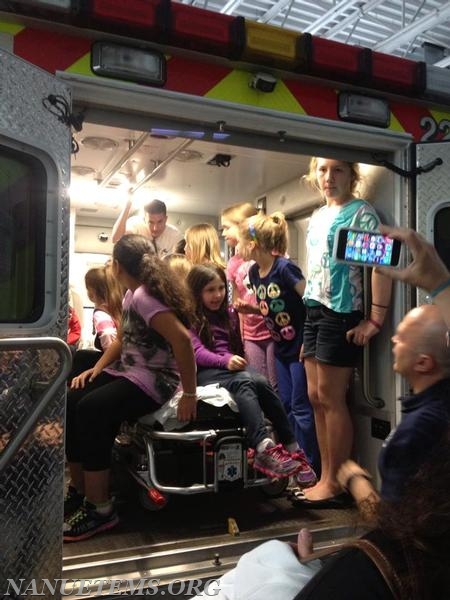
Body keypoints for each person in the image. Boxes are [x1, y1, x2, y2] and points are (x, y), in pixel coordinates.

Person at [63, 234, 197, 542]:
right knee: (74, 397)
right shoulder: (130, 294)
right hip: (131, 371)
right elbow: (124, 339)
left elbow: (183, 341)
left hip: (156, 380)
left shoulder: (144, 298)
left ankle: (100, 509)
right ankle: (81, 490)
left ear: (119, 265)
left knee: (91, 409)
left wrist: (189, 394)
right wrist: (96, 370)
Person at [298, 157, 392, 503]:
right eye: (322, 170)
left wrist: (375, 319)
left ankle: (336, 482)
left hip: (341, 312)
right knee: (314, 398)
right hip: (314, 310)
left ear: (352, 175)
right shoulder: (318, 216)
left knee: (332, 398)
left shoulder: (360, 214)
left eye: (337, 169)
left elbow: (380, 267)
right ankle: (326, 475)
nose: (328, 177)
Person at [186, 263, 315, 483]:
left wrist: (234, 361)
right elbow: (196, 353)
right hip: (205, 372)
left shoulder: (229, 314)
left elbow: (235, 346)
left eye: (220, 289)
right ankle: (263, 446)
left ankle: (292, 446)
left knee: (261, 381)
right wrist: (226, 361)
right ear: (197, 292)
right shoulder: (189, 317)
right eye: (210, 290)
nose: (217, 295)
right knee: (244, 381)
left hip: (228, 368)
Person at [236, 212, 319, 476]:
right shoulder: (254, 272)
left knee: (301, 406)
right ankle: (294, 459)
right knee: (284, 404)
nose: (238, 248)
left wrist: (309, 339)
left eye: (241, 242)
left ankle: (311, 466)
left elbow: (310, 302)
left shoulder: (284, 268)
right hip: (281, 348)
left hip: (298, 348)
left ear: (254, 243)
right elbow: (273, 306)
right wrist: (251, 309)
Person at [221, 202, 277, 390]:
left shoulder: (271, 256)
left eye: (227, 227)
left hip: (272, 328)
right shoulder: (234, 263)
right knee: (258, 381)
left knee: (275, 382)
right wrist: (241, 336)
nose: (223, 233)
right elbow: (238, 305)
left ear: (242, 226)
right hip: (251, 332)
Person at [71, 264, 124, 376]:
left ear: (92, 292)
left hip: (115, 363)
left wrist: (108, 360)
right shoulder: (115, 307)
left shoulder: (101, 314)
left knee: (79, 358)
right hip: (122, 358)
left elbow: (107, 335)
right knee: (81, 355)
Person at [111, 197, 183, 258]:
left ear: (166, 219)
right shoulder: (136, 225)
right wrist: (127, 207)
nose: (155, 228)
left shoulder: (175, 236)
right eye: (150, 222)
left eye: (160, 222)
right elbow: (116, 240)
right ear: (144, 219)